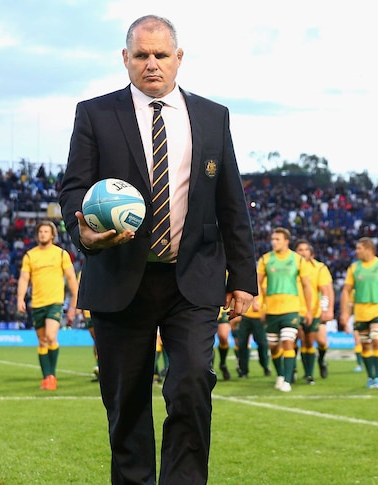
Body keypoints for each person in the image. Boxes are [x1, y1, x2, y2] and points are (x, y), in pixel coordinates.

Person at [58, 14, 257, 484]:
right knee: (126, 401)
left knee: (190, 385)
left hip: (193, 278)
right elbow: (73, 189)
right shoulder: (95, 113)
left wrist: (244, 279)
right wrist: (84, 231)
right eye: (141, 55)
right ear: (125, 59)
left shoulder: (213, 115)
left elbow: (232, 200)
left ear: (178, 59)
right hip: (120, 276)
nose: (151, 64)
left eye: (161, 55)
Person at [17, 221, 79, 390]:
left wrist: (75, 301)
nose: (43, 234)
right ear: (37, 235)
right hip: (37, 303)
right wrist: (20, 298)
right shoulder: (30, 256)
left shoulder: (61, 254)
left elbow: (71, 278)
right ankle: (47, 377)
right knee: (42, 341)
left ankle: (52, 376)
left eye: (46, 231)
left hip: (55, 302)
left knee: (51, 337)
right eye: (41, 231)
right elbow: (24, 279)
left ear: (52, 235)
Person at [339, 237, 378, 391]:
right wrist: (345, 312)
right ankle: (371, 377)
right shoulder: (354, 268)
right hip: (360, 311)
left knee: (376, 339)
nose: (356, 251)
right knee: (365, 346)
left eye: (359, 248)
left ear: (368, 249)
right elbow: (346, 291)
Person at [258, 227, 313, 392]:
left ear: (286, 241)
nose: (274, 242)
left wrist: (309, 310)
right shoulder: (265, 260)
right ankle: (281, 374)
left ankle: (288, 381)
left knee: (288, 342)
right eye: (273, 239)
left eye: (277, 239)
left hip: (291, 309)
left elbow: (307, 286)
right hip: (271, 310)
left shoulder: (298, 260)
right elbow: (257, 283)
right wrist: (259, 303)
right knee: (274, 347)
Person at [294, 240, 334, 383]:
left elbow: (326, 291)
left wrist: (326, 309)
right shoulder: (291, 267)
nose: (303, 252)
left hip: (314, 311)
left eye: (305, 249)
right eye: (300, 249)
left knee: (318, 341)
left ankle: (321, 360)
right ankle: (303, 372)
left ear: (311, 253)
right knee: (297, 339)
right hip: (295, 309)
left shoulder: (319, 268)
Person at [234, 290, 271, 379]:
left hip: (258, 316)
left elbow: (268, 296)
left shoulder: (263, 279)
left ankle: (265, 364)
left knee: (262, 343)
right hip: (245, 316)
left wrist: (266, 311)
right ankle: (243, 371)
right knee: (242, 344)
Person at [214, 307, 232, 380]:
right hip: (206, 307)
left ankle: (223, 363)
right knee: (207, 339)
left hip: (223, 308)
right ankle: (209, 367)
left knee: (223, 337)